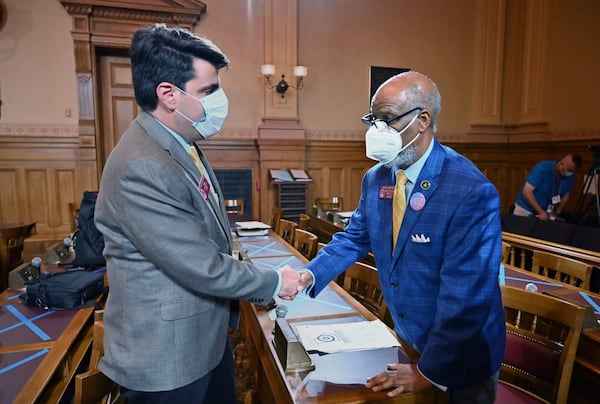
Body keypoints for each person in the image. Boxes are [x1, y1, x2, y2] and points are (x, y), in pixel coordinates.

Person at [94, 24, 300, 403]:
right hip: (167, 357)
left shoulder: (178, 143)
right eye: (209, 90)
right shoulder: (143, 163)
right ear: (169, 95)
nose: (220, 99)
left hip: (200, 338)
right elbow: (198, 264)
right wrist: (273, 282)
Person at [297, 71, 506, 403]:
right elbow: (354, 238)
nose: (376, 130)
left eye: (387, 119)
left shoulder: (470, 190)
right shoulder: (376, 178)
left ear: (422, 120)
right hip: (409, 339)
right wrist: (308, 275)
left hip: (461, 358)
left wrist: (428, 372)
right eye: (372, 119)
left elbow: (466, 299)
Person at [513, 153, 582, 220]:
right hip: (525, 210)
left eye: (572, 171)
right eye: (568, 170)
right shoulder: (543, 167)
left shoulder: (571, 176)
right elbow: (527, 191)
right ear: (561, 164)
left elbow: (566, 195)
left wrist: (557, 213)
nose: (569, 173)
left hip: (546, 214)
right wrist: (540, 212)